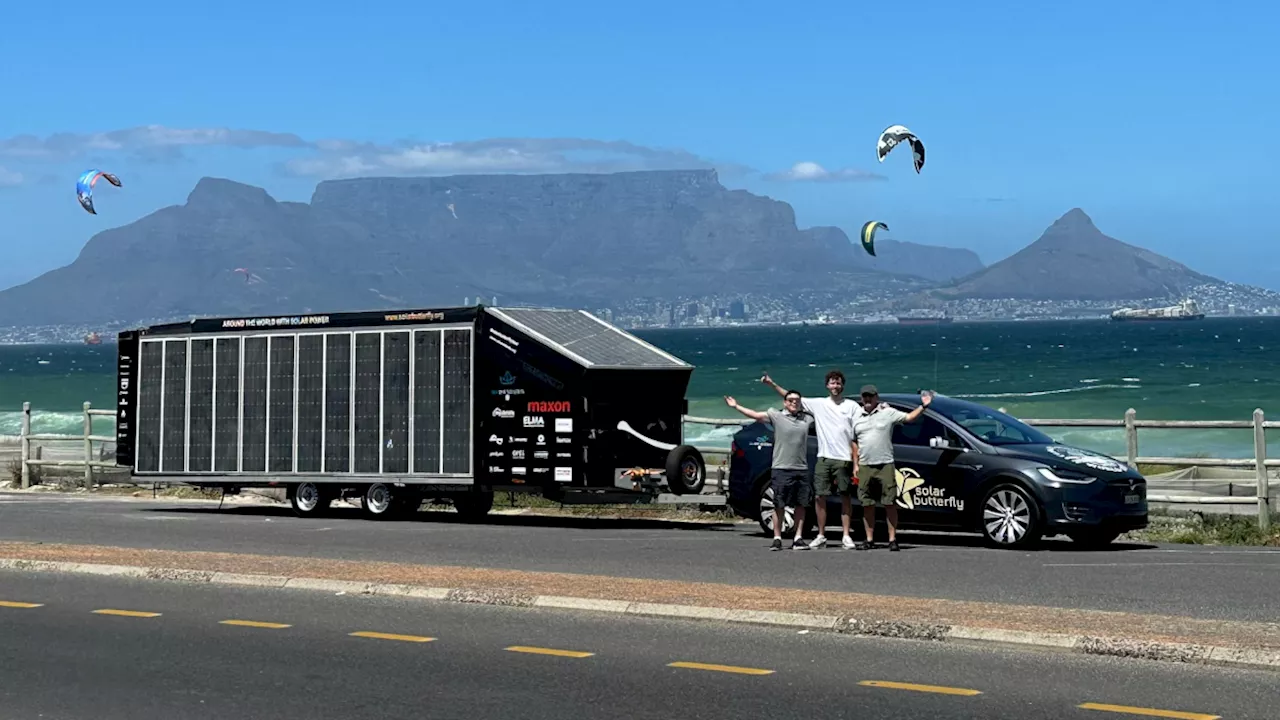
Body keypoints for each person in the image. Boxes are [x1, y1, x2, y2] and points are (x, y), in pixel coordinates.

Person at [762, 370, 863, 549]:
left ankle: (846, 535)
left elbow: (861, 429)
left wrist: (881, 409)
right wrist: (772, 384)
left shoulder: (852, 406)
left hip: (843, 458)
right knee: (819, 496)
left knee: (845, 496)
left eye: (838, 383)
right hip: (823, 457)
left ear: (843, 385)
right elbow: (791, 398)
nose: (835, 386)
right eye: (832, 383)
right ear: (827, 385)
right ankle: (821, 534)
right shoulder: (818, 404)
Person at [724, 391, 814, 550]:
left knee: (801, 504)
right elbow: (757, 416)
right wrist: (736, 406)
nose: (794, 403)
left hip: (801, 468)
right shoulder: (777, 416)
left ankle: (798, 538)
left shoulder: (807, 419)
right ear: (785, 403)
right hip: (781, 467)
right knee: (778, 504)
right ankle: (777, 537)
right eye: (790, 400)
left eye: (797, 400)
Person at [850, 385, 932, 551]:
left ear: (876, 398)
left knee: (890, 503)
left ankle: (892, 539)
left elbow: (909, 418)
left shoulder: (887, 413)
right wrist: (855, 464)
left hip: (885, 464)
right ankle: (869, 539)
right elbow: (853, 441)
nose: (867, 399)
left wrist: (923, 406)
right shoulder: (856, 416)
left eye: (870, 396)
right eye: (865, 396)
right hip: (865, 465)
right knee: (867, 504)